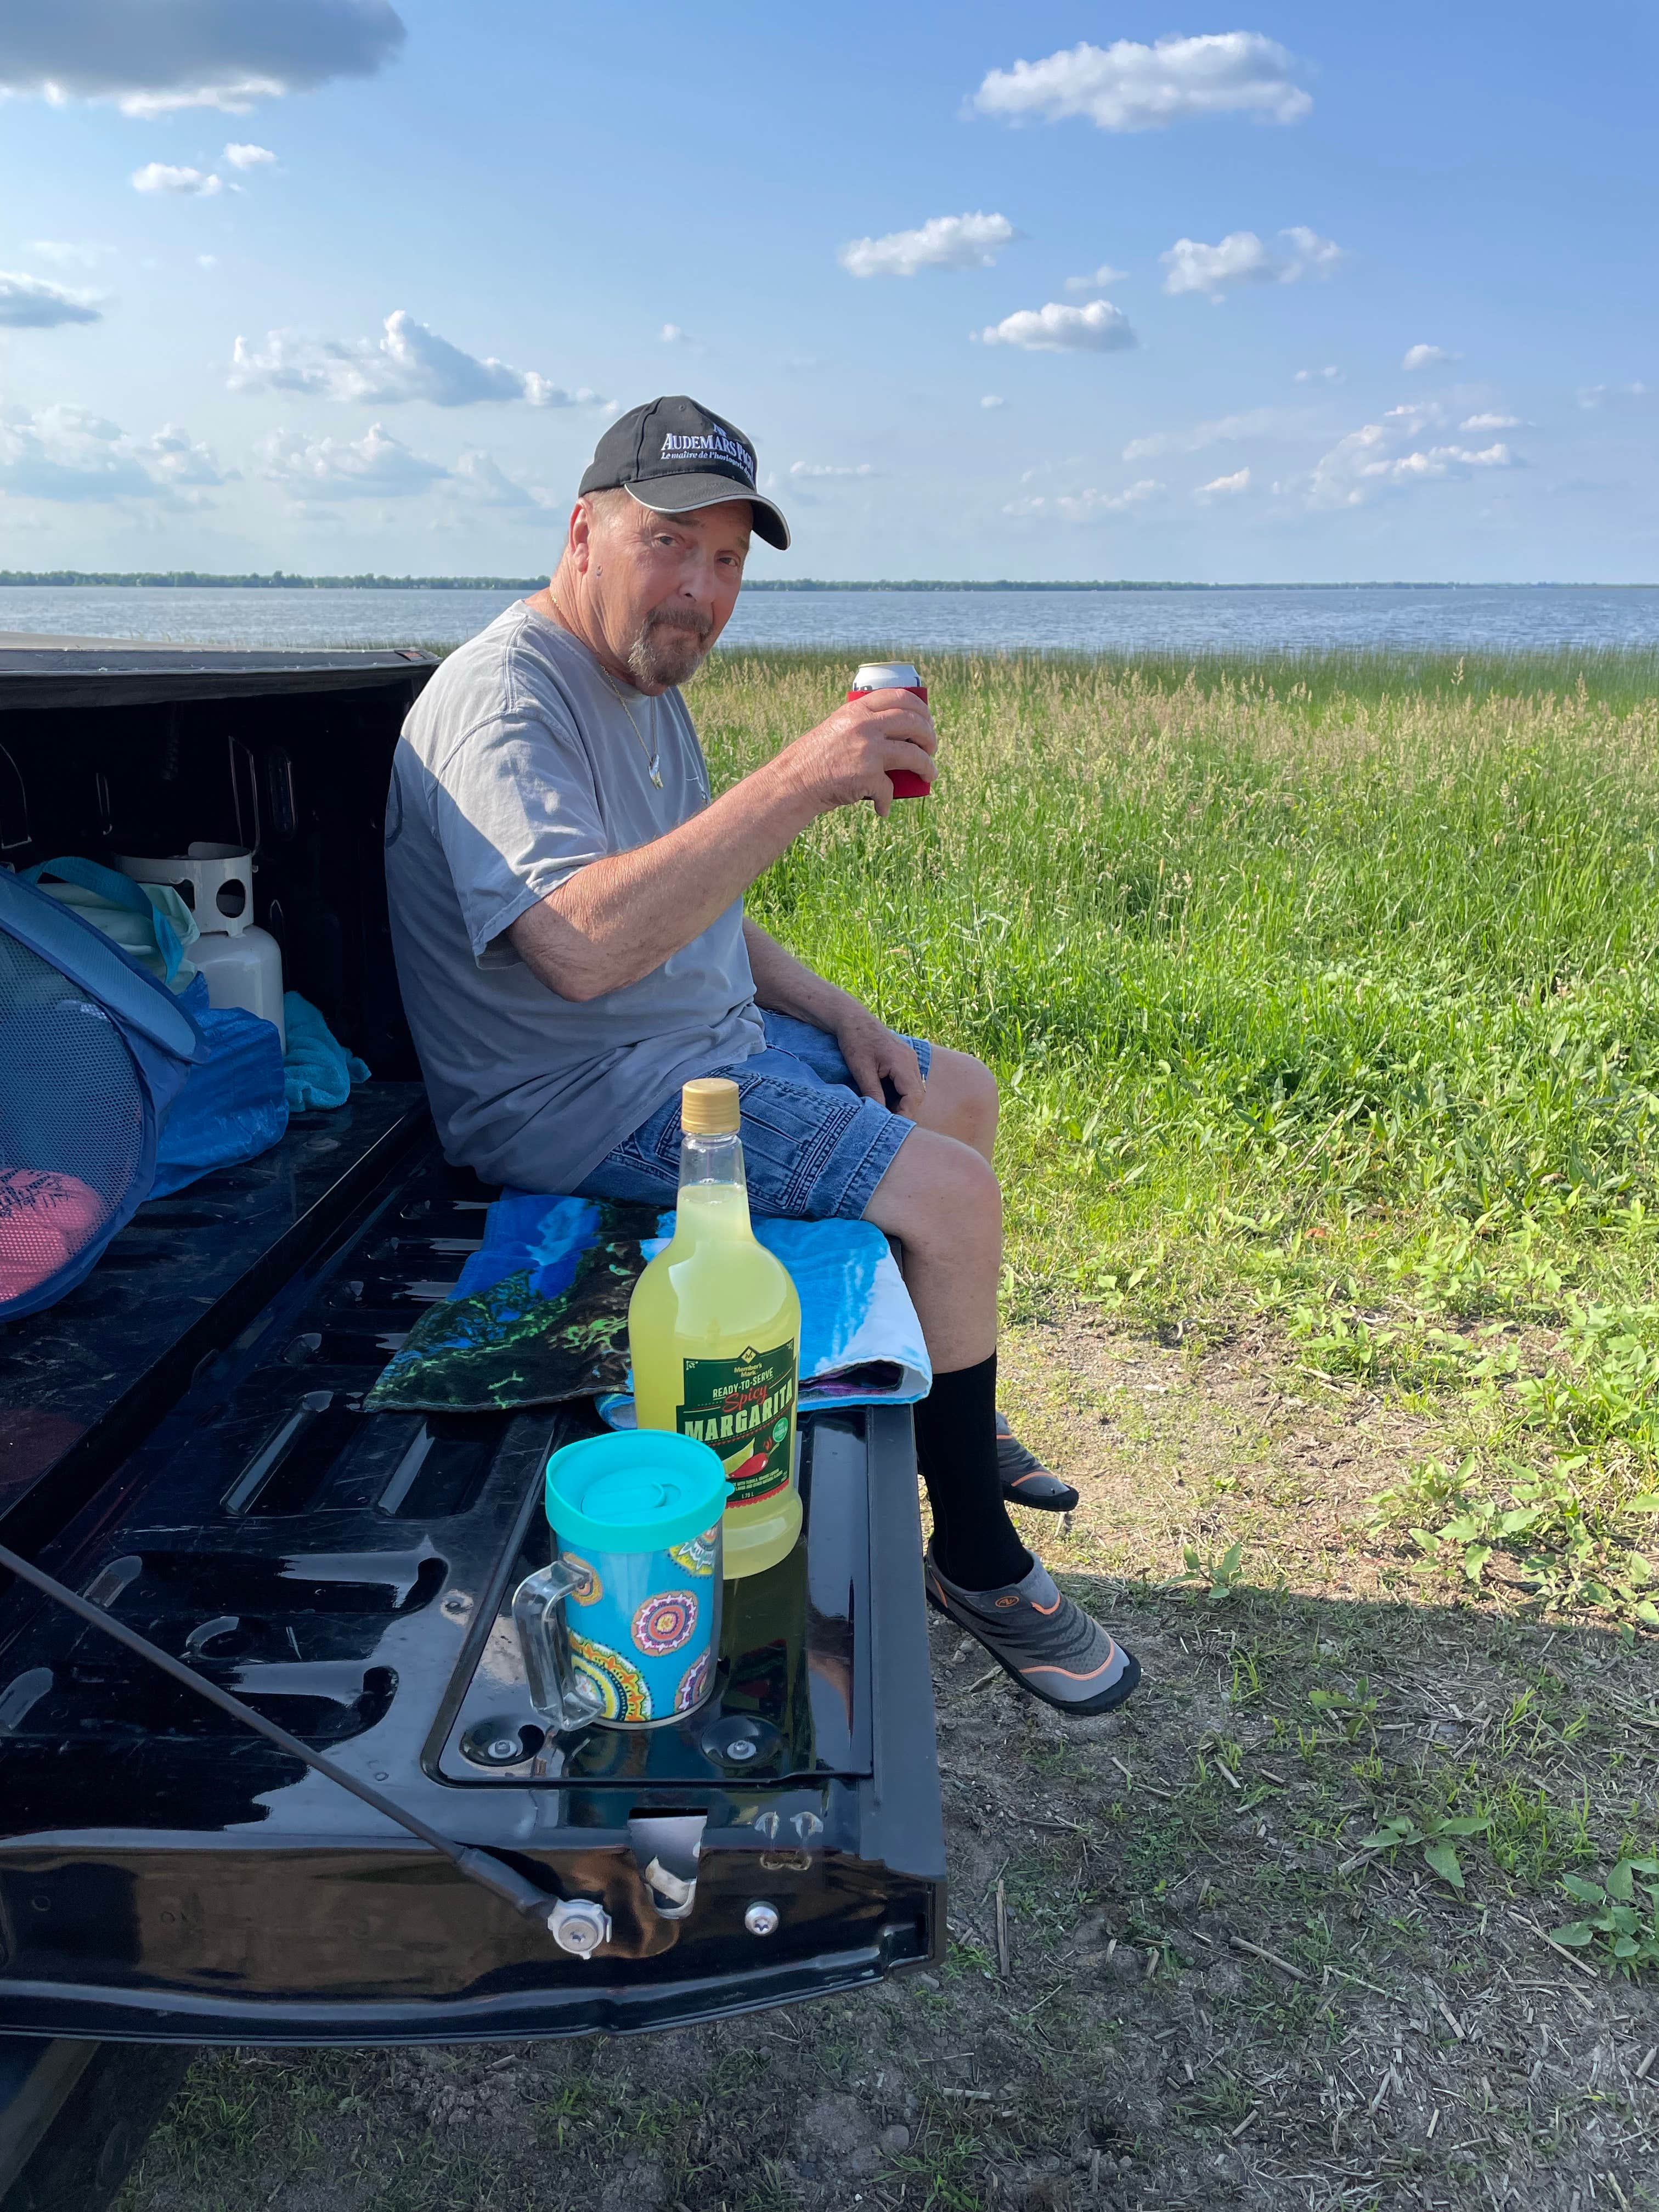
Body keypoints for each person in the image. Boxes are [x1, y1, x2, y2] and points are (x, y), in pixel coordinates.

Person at [385, 395, 1139, 1715]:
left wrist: (842, 1011)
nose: (700, 590)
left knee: (954, 1087)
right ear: (583, 532)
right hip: (583, 1097)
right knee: (951, 1196)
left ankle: (951, 1421)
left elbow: (694, 899)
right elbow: (578, 945)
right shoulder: (508, 698)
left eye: (728, 559)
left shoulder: (640, 685)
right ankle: (974, 1557)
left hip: (694, 1046)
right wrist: (797, 780)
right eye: (670, 543)